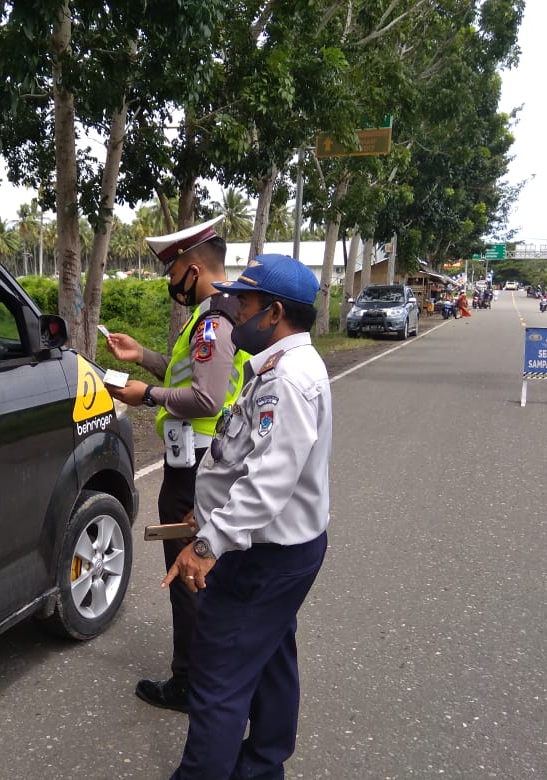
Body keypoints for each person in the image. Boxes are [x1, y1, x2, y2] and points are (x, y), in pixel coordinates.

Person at [163, 253, 331, 780]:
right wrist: (207, 511)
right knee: (273, 655)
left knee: (218, 677)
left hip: (262, 557)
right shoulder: (283, 367)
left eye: (244, 301)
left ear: (274, 312)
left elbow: (267, 484)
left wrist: (207, 544)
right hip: (283, 547)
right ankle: (261, 766)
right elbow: (245, 459)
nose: (234, 309)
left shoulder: (287, 381)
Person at [105, 216, 249, 714]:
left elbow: (206, 397)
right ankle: (213, 673)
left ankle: (190, 682)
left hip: (195, 467)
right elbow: (189, 375)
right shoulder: (221, 312)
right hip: (204, 459)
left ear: (193, 268)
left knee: (187, 574)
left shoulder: (213, 320)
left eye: (172, 272)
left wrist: (146, 396)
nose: (171, 283)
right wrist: (142, 356)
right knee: (203, 572)